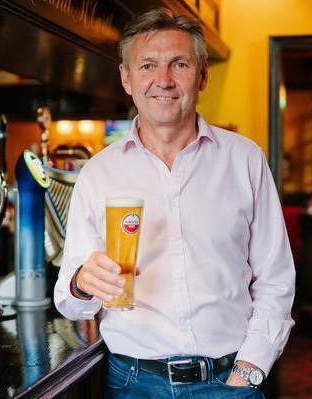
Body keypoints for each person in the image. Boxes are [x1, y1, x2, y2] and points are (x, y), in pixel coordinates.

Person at [54, 8, 295, 398]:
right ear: (127, 78)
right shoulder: (98, 174)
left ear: (202, 75)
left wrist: (250, 368)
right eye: (147, 65)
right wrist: (83, 283)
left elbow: (276, 277)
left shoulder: (245, 159)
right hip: (133, 383)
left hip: (228, 380)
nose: (162, 80)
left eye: (179, 64)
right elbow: (70, 301)